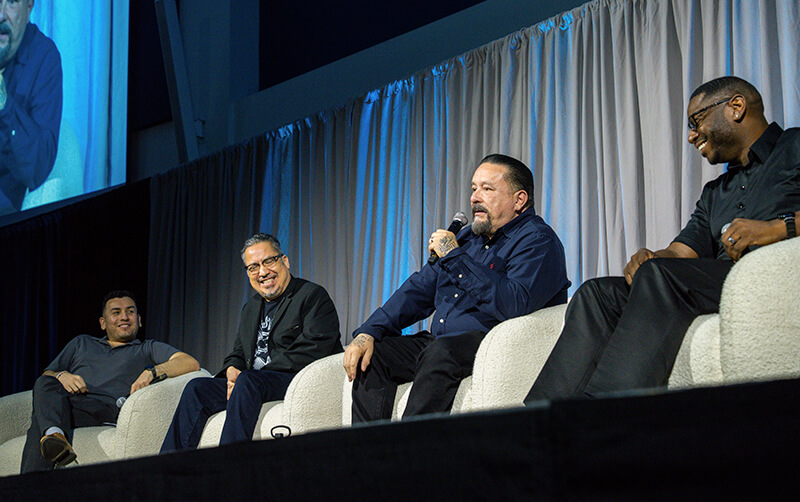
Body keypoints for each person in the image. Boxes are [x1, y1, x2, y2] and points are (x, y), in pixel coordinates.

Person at [525, 76, 800, 403]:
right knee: (598, 293)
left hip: (775, 277)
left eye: (696, 121)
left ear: (736, 107)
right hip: (722, 283)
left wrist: (779, 228)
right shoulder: (715, 192)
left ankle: (606, 420)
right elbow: (681, 252)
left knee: (660, 277)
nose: (691, 135)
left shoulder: (793, 145)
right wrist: (652, 257)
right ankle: (540, 421)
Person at [344, 154, 570, 422]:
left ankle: (409, 453)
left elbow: (514, 304)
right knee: (376, 355)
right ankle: (366, 452)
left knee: (441, 351)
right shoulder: (467, 239)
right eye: (474, 188)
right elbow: (418, 290)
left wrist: (453, 257)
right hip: (440, 345)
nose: (475, 197)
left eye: (487, 189)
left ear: (519, 200)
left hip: (491, 342)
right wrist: (370, 330)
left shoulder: (537, 240)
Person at [160, 233, 342, 452]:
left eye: (268, 261)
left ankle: (230, 467)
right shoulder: (251, 308)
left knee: (248, 381)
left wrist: (255, 374)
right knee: (197, 388)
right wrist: (232, 370)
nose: (263, 272)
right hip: (252, 384)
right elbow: (239, 351)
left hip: (294, 379)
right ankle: (168, 469)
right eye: (253, 267)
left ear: (285, 261)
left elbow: (313, 348)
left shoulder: (311, 295)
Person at [20, 291, 199, 473]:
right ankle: (54, 434)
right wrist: (61, 375)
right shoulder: (81, 343)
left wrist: (152, 372)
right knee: (44, 384)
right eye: (116, 312)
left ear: (139, 320)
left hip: (107, 410)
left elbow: (189, 362)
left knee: (39, 424)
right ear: (103, 323)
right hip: (71, 405)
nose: (124, 317)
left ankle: (44, 452)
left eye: (130, 312)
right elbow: (47, 375)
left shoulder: (147, 348)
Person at [0, 0, 63, 215]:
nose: (0, 15)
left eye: (12, 3)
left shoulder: (44, 58)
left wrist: (4, 103)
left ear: (29, 7)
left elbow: (38, 168)